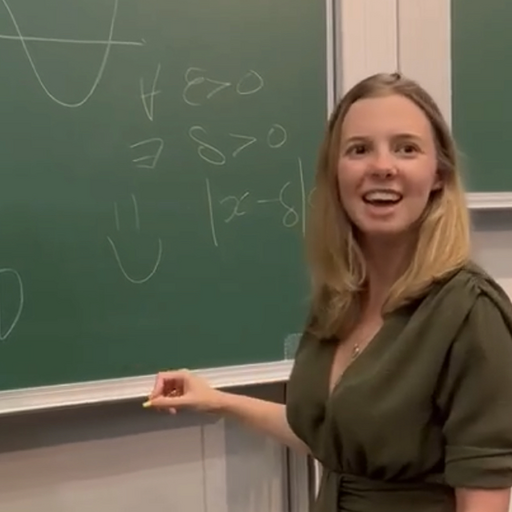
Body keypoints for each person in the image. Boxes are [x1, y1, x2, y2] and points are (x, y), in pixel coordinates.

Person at [143, 73, 512, 512]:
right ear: (336, 175)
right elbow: (333, 436)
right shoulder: (339, 302)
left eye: (406, 148)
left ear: (439, 175)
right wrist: (217, 400)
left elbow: (483, 496)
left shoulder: (471, 314)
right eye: (359, 149)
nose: (382, 166)